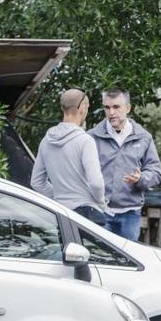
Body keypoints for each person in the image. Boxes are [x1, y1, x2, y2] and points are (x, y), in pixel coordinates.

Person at [88, 88, 161, 241]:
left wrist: (142, 178)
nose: (111, 112)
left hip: (131, 214)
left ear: (128, 108)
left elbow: (155, 171)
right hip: (100, 211)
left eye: (116, 107)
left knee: (128, 262)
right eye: (107, 107)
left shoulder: (143, 137)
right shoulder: (91, 137)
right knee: (102, 260)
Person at [31, 89, 109, 225]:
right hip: (87, 215)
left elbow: (37, 182)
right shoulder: (85, 141)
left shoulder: (46, 140)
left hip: (61, 215)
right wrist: (100, 203)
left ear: (62, 108)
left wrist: (57, 198)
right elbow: (96, 183)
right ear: (83, 108)